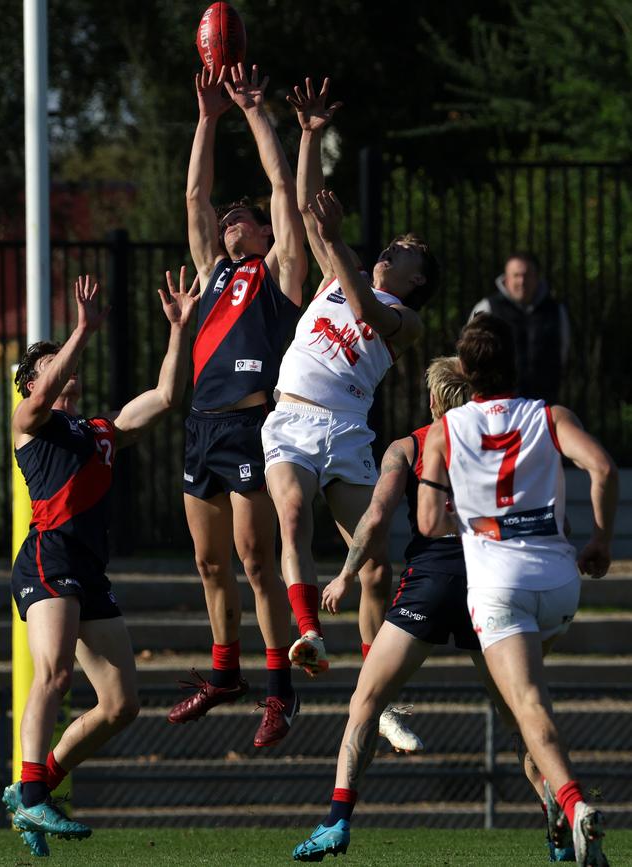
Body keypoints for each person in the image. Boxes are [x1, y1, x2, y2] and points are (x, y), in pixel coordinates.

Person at [292, 356, 535, 862]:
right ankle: (562, 819)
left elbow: (377, 515)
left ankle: (336, 822)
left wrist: (344, 574)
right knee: (520, 718)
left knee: (366, 702)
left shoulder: (409, 445)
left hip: (430, 584)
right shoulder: (498, 446)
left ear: (431, 401)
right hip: (489, 585)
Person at [262, 81, 439, 756]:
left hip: (347, 432)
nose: (394, 249)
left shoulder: (406, 317)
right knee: (291, 515)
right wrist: (307, 133)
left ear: (419, 278)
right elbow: (310, 214)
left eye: (408, 251)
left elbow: (367, 313)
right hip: (294, 418)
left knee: (375, 564)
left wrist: (335, 243)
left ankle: (377, 693)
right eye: (393, 244)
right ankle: (307, 630)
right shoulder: (343, 269)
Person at [5, 270, 199, 856]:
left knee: (121, 704)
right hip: (49, 558)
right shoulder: (30, 424)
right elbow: (41, 394)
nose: (64, 370)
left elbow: (168, 398)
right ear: (34, 382)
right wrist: (83, 330)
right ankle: (34, 791)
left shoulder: (99, 431)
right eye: (50, 364)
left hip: (88, 571)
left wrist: (181, 331)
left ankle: (34, 790)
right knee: (57, 675)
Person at [418, 312, 617, 867]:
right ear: (515, 363)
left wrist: (469, 509)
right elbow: (601, 467)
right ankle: (563, 813)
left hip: (497, 587)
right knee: (526, 704)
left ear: (464, 371)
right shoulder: (549, 416)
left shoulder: (444, 431)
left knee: (527, 704)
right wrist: (601, 540)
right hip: (559, 585)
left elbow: (430, 521)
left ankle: (574, 805)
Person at [166, 63, 307, 748]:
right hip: (202, 427)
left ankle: (280, 689)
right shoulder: (213, 272)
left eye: (239, 217)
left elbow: (283, 187)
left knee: (255, 560)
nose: (228, 220)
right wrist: (206, 117)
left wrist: (253, 109)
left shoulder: (278, 272)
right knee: (210, 563)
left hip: (252, 426)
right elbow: (195, 192)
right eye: (226, 219)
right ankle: (227, 671)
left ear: (259, 233)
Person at [469, 252, 570, 405]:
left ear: (537, 278)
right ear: (506, 278)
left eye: (527, 275)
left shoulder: (556, 310)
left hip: (544, 404)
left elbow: (564, 351)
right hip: (499, 406)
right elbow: (471, 356)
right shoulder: (488, 308)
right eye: (516, 275)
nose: (522, 281)